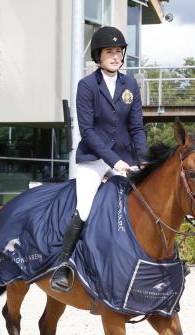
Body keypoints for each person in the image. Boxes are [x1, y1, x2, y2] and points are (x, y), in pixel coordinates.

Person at [50, 26, 148, 292]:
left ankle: (145, 262)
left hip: (126, 159)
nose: (116, 57)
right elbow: (88, 132)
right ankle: (64, 265)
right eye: (109, 52)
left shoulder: (130, 85)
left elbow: (138, 127)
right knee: (85, 208)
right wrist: (114, 161)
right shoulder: (87, 86)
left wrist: (144, 160)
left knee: (143, 204)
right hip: (94, 159)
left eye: (118, 52)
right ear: (98, 55)